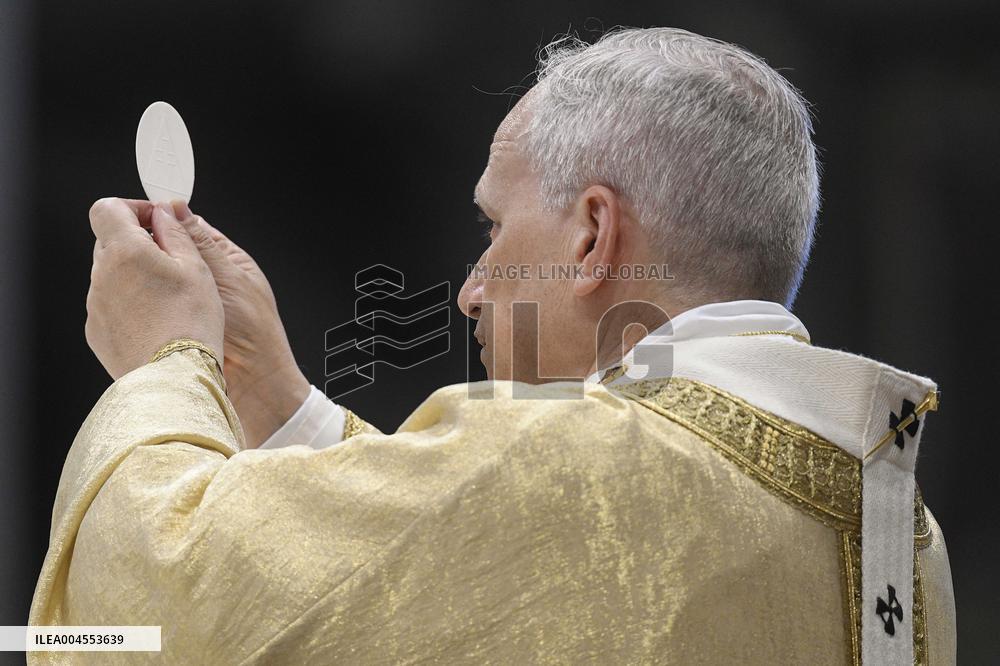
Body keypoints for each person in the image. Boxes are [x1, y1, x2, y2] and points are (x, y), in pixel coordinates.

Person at [30, 27, 955, 664]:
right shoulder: (902, 541)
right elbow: (455, 573)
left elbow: (169, 599)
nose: (473, 289)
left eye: (493, 228)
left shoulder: (569, 464)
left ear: (592, 236)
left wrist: (166, 363)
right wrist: (272, 395)